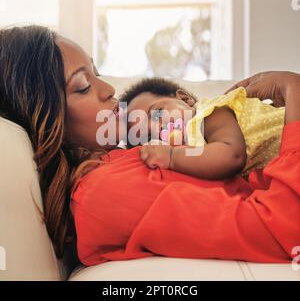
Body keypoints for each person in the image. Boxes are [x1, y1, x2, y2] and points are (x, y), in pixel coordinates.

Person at [0, 26, 299, 267]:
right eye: (83, 87)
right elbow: (282, 226)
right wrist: (294, 92)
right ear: (48, 120)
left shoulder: (128, 160)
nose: (109, 90)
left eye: (97, 73)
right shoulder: (102, 193)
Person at [119, 78, 284, 180]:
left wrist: (171, 156)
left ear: (185, 99)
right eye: (149, 136)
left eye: (157, 113)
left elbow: (232, 156)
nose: (158, 128)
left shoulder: (208, 114)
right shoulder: (193, 153)